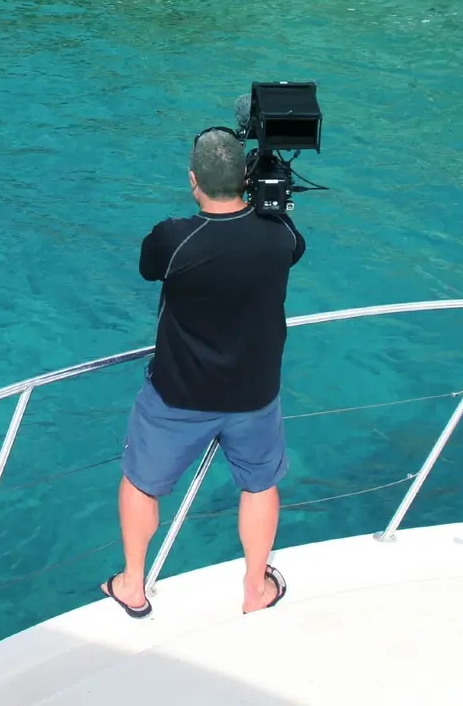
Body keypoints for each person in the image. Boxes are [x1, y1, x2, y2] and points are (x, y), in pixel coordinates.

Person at [101, 126, 307, 619]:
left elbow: (149, 268)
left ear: (193, 179)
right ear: (246, 178)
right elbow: (292, 245)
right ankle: (255, 588)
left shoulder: (172, 238)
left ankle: (133, 584)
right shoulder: (279, 235)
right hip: (254, 394)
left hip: (179, 395)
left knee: (141, 484)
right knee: (258, 486)